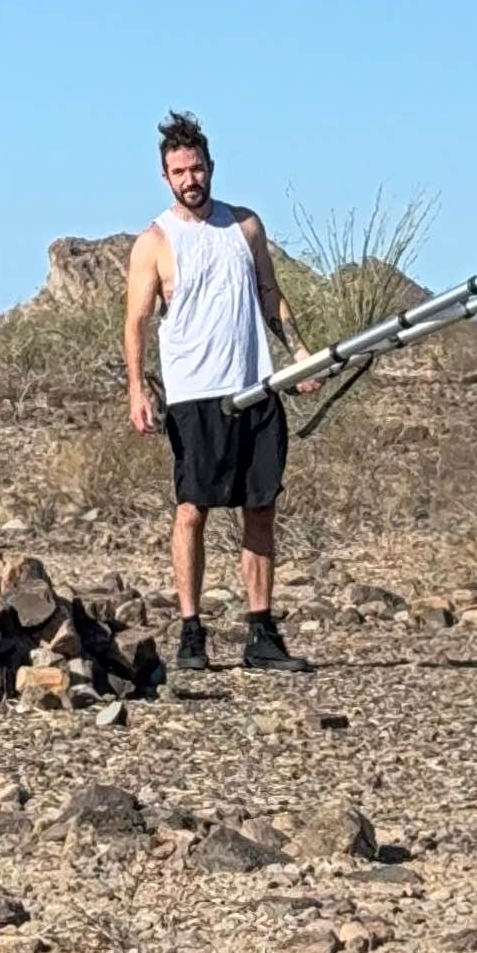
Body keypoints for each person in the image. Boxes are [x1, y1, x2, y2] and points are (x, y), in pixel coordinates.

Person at [121, 111, 301, 670]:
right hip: (195, 398)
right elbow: (136, 322)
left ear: (211, 167)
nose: (189, 178)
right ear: (165, 177)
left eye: (196, 167)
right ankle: (192, 630)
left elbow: (270, 294)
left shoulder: (244, 227)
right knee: (191, 510)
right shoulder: (154, 242)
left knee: (260, 507)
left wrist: (300, 355)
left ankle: (261, 632)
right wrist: (137, 388)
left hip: (255, 386)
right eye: (178, 171)